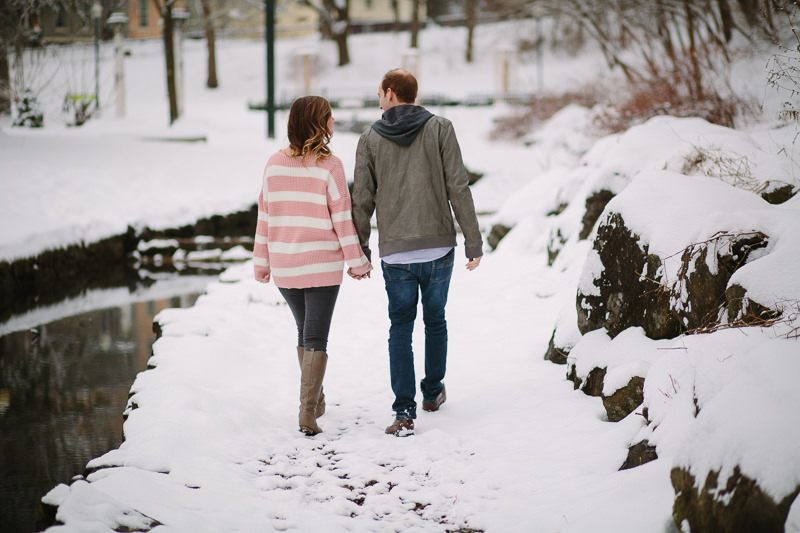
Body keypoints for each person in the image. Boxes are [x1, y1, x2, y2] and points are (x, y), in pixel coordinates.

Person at [352, 69, 483, 437]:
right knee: (435, 319)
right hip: (439, 245)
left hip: (396, 253)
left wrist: (359, 250)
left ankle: (404, 412)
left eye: (379, 93)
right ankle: (431, 392)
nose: (378, 99)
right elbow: (459, 186)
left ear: (391, 93)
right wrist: (473, 241)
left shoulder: (369, 140)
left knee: (400, 328)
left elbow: (361, 200)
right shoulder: (441, 128)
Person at [253, 96, 372, 436]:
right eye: (329, 117)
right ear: (317, 125)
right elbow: (343, 221)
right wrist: (358, 261)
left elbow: (265, 215)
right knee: (316, 336)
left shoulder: (273, 164)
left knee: (305, 332)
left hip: (285, 266)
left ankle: (316, 401)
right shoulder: (330, 165)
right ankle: (307, 412)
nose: (334, 123)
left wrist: (261, 262)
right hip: (321, 265)